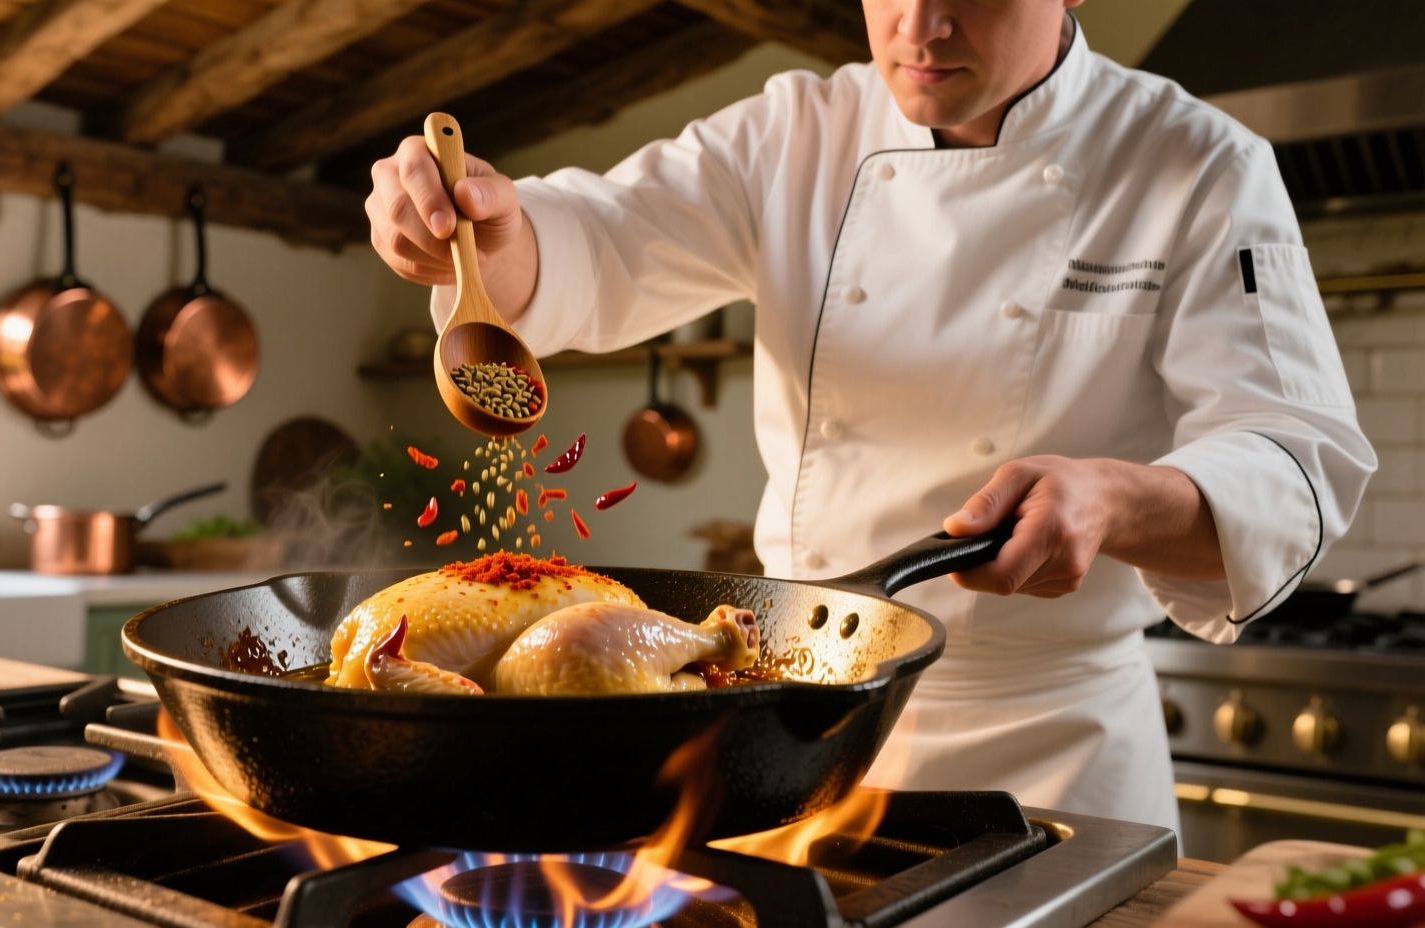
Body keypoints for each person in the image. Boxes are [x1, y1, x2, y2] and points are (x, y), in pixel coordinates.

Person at [365, 0, 1373, 832]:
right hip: (794, 732)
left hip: (1055, 759)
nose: (920, 24)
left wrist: (1115, 497)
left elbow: (1295, 461)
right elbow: (603, 240)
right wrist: (486, 242)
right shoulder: (794, 131)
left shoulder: (1195, 162)